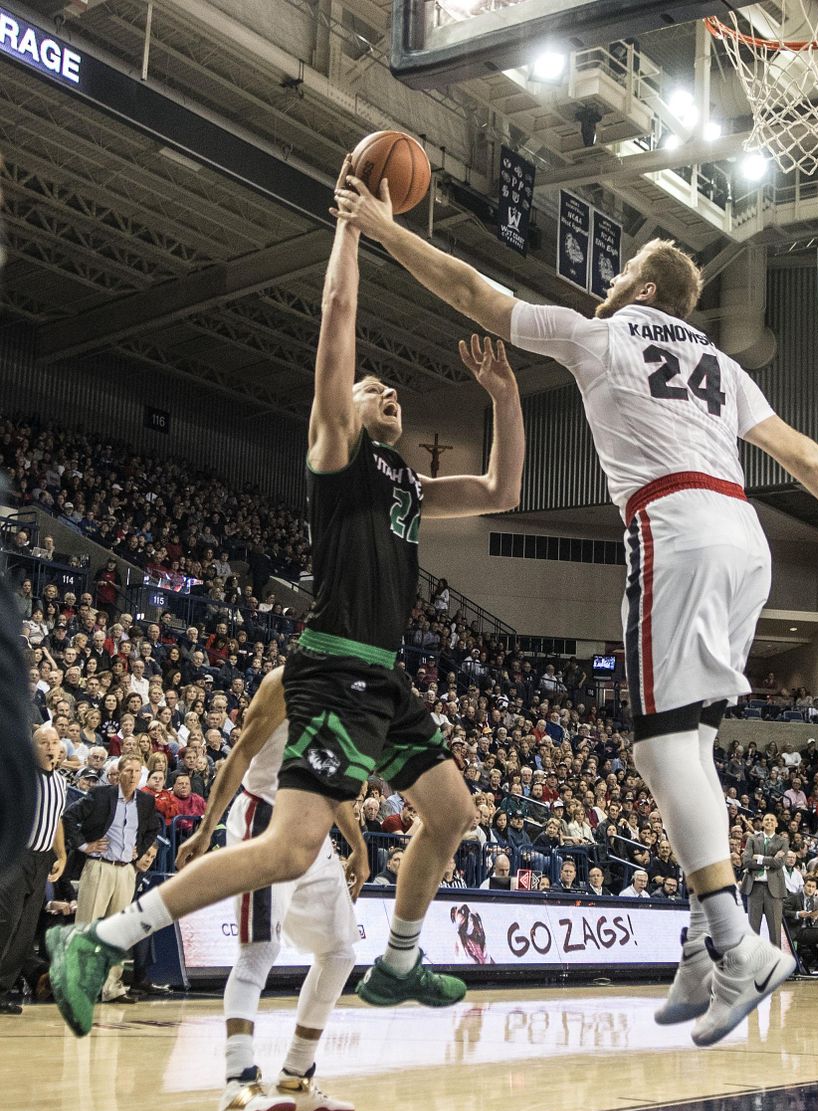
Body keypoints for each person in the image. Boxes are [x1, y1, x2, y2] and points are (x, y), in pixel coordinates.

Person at [332, 172, 818, 1047]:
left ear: (644, 291)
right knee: (692, 747)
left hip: (674, 529)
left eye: (621, 276)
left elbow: (473, 291)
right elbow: (800, 451)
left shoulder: (602, 335)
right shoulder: (723, 368)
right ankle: (700, 941)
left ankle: (739, 945)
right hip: (745, 539)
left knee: (656, 746)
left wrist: (385, 229)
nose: (607, 285)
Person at [46, 157, 526, 1039]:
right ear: (338, 411)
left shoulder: (410, 486)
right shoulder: (338, 457)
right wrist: (350, 224)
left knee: (452, 814)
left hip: (385, 676)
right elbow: (338, 316)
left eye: (392, 388)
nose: (385, 387)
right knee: (293, 845)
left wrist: (505, 396)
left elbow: (500, 491)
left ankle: (401, 961)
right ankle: (103, 939)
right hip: (335, 663)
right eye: (370, 384)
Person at [173, 666, 367, 1111]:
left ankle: (297, 1077)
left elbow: (330, 782)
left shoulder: (358, 693)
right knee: (260, 950)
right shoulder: (287, 679)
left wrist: (358, 846)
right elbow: (240, 755)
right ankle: (236, 1087)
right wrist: (206, 829)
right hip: (265, 817)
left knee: (340, 953)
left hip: (314, 828)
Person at [60, 752, 162, 1003]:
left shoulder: (146, 802)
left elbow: (153, 828)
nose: (132, 776)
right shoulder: (100, 795)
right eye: (128, 771)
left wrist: (139, 848)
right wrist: (84, 846)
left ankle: (112, 988)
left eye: (137, 772)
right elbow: (69, 817)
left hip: (126, 870)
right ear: (118, 773)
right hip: (99, 867)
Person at [0, 724, 67, 1014]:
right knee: (5, 925)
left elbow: (56, 820)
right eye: (43, 742)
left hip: (41, 862)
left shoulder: (61, 782)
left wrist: (61, 854)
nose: (50, 746)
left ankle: (2, 992)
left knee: (24, 933)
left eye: (54, 741)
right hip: (17, 859)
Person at [740, 813, 787, 947]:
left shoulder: (783, 841)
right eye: (766, 819)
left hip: (774, 889)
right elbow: (747, 861)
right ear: (762, 823)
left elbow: (779, 864)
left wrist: (760, 858)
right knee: (753, 929)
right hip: (754, 887)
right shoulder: (753, 839)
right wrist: (771, 860)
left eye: (772, 820)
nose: (769, 822)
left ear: (777, 824)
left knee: (775, 931)